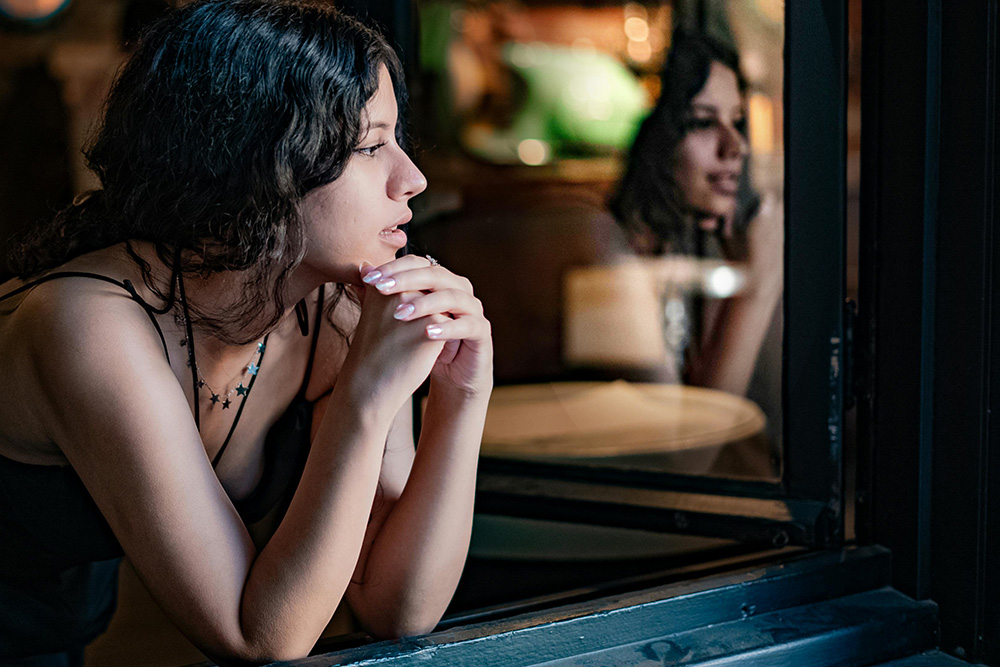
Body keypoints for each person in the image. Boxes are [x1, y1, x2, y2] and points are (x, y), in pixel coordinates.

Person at [0, 1, 493, 664]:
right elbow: (259, 635)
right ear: (259, 163)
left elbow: (394, 604)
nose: (413, 179)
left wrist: (461, 399)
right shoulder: (88, 323)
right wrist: (365, 397)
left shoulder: (338, 313)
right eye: (373, 146)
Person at [609, 28, 783, 402]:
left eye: (736, 122)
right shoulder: (617, 259)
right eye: (703, 122)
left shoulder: (671, 246)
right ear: (656, 138)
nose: (736, 146)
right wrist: (758, 284)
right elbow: (690, 455)